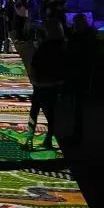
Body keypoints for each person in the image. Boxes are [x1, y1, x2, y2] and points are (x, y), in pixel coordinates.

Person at [25, 21, 66, 150]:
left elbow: (34, 65)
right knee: (51, 112)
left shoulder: (43, 48)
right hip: (54, 84)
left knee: (34, 111)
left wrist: (33, 80)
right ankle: (48, 139)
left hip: (40, 84)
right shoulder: (62, 47)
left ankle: (29, 140)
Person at [65, 13, 96, 143]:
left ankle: (77, 135)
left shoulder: (79, 38)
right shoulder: (89, 36)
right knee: (77, 106)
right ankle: (76, 133)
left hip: (78, 75)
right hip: (82, 74)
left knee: (77, 107)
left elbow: (73, 54)